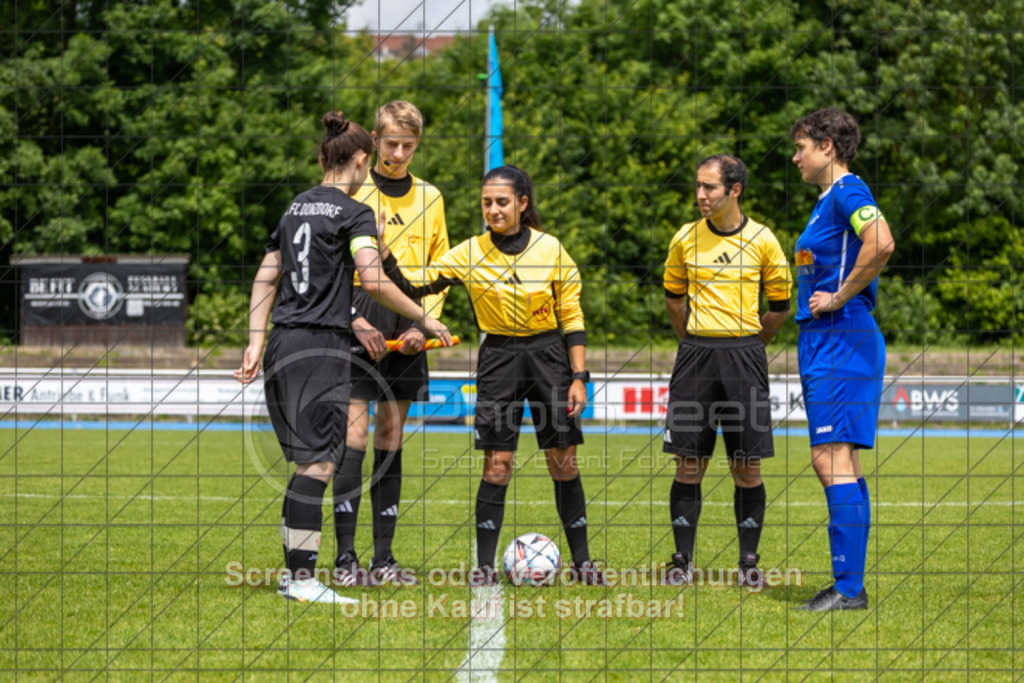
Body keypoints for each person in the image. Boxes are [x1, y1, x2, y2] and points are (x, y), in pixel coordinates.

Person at [234, 112, 451, 603]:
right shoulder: (354, 212)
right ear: (359, 159)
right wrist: (426, 317)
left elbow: (266, 276)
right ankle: (304, 578)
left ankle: (297, 573)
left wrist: (253, 340)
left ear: (320, 158)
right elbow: (372, 280)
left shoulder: (294, 208)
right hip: (322, 347)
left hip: (283, 345)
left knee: (307, 464)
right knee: (316, 468)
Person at [377, 165, 604, 586]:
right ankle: (483, 568)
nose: (494, 210)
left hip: (549, 357)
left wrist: (579, 376)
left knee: (563, 463)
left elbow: (572, 317)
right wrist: (386, 255)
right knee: (497, 465)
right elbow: (416, 284)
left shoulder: (552, 249)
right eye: (486, 203)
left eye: (502, 202)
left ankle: (584, 563)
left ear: (523, 203)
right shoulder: (469, 252)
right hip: (498, 358)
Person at [332, 101, 451, 587]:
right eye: (390, 144)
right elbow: (335, 266)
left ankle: (383, 560)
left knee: (390, 437)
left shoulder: (431, 196)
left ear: (417, 143)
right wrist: (355, 317)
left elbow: (440, 272)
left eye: (408, 145)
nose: (398, 153)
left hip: (410, 327)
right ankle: (344, 560)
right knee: (353, 437)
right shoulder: (354, 190)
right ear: (374, 142)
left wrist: (425, 325)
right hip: (359, 322)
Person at [662, 154, 792, 587]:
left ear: (734, 190)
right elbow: (674, 301)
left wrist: (751, 346)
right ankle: (682, 562)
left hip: (745, 359)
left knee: (747, 469)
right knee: (687, 465)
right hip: (695, 357)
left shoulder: (763, 240)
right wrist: (693, 342)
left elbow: (778, 308)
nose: (700, 195)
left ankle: (749, 564)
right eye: (698, 186)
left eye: (710, 188)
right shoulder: (683, 238)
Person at [790, 107, 895, 611]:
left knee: (829, 457)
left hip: (840, 335)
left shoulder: (850, 192)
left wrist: (838, 296)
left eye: (802, 146)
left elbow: (882, 242)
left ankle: (848, 588)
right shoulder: (826, 202)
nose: (796, 157)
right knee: (841, 460)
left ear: (828, 147)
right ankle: (851, 584)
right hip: (828, 339)